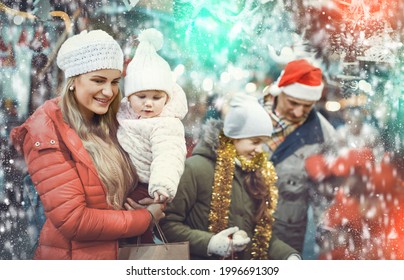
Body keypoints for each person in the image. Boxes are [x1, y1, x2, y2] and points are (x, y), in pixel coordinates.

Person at [10, 29, 164, 260]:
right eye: (98, 80)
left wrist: (150, 197)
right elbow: (74, 221)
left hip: (121, 255)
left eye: (114, 82)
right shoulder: (45, 132)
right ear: (73, 81)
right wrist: (144, 218)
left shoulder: (113, 122)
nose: (109, 91)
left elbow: (132, 180)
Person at [160, 93, 300, 260]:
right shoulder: (195, 169)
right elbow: (166, 225)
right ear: (233, 138)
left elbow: (259, 235)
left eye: (263, 143)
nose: (260, 150)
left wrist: (289, 256)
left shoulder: (256, 174)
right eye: (255, 142)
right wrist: (210, 243)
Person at [261, 59, 337, 256]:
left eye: (307, 106)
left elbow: (326, 196)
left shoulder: (324, 135)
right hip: (238, 224)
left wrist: (328, 245)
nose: (298, 112)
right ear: (280, 91)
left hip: (285, 234)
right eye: (293, 103)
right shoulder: (249, 115)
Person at [117, 28, 188, 204]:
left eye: (157, 98)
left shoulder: (166, 124)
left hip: (147, 188)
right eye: (141, 97)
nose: (149, 103)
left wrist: (162, 185)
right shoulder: (122, 114)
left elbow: (169, 155)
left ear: (167, 98)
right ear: (129, 96)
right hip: (121, 182)